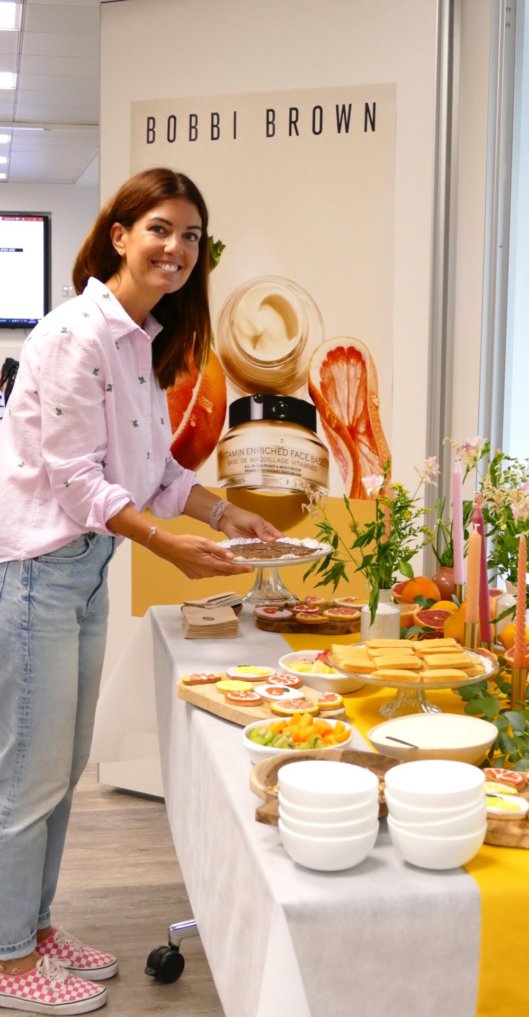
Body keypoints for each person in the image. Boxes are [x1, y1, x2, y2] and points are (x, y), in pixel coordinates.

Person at [0, 167, 281, 1014]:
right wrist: (176, 550)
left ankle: (35, 926)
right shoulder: (74, 334)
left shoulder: (139, 338)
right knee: (29, 775)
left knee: (63, 765)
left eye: (191, 235)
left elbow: (153, 470)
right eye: (160, 227)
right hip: (40, 570)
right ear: (119, 233)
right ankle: (9, 961)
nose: (177, 247)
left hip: (82, 570)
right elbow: (79, 481)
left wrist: (224, 512)